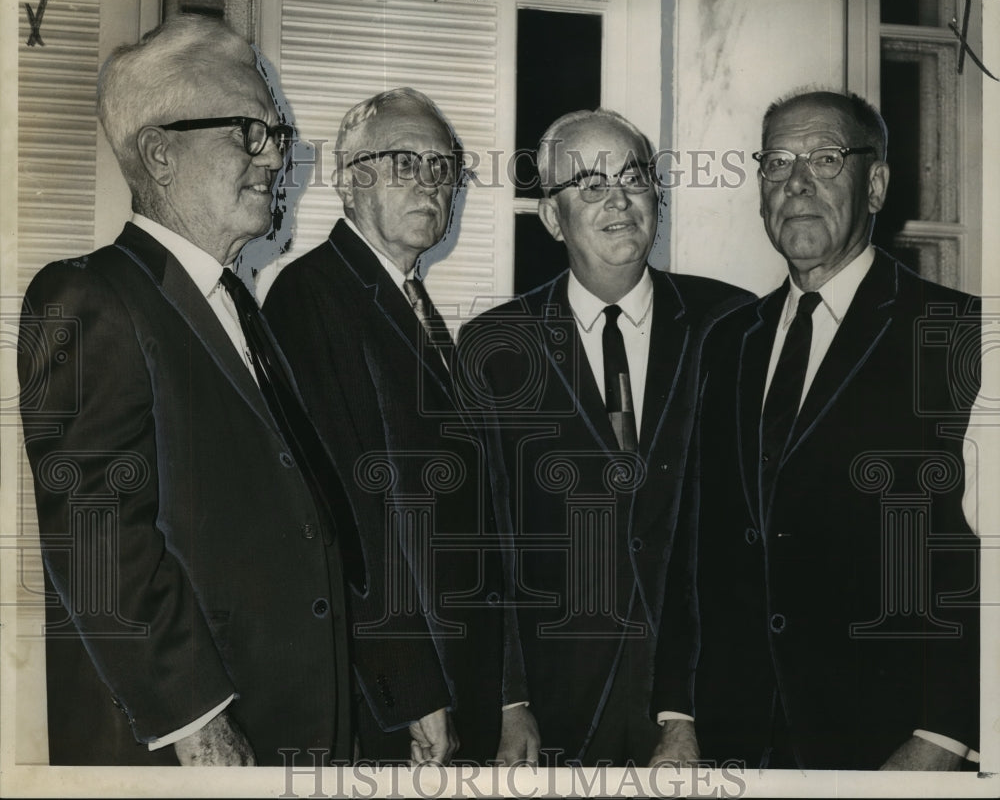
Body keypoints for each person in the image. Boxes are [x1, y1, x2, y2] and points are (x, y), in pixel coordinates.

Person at [17, 15, 362, 766]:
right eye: (248, 131)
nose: (276, 157)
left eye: (276, 134)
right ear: (160, 153)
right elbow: (97, 537)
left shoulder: (238, 306)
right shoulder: (84, 295)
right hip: (196, 749)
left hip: (289, 731)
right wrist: (199, 725)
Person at [652, 90, 981, 770]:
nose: (796, 183)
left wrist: (943, 737)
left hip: (890, 746)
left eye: (825, 159)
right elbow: (695, 544)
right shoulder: (727, 341)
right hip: (734, 742)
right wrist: (678, 714)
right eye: (776, 163)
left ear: (877, 184)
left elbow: (982, 562)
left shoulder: (958, 336)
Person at [458, 109, 752, 766]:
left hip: (702, 706)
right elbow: (485, 541)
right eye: (589, 184)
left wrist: (687, 708)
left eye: (634, 177)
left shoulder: (731, 323)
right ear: (552, 218)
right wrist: (509, 701)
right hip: (557, 709)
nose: (618, 199)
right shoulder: (496, 347)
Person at [264, 88, 505, 764]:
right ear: (349, 178)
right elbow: (343, 513)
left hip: (450, 670)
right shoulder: (309, 294)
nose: (431, 182)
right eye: (405, 161)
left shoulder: (410, 299)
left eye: (442, 166)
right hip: (391, 693)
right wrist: (413, 688)